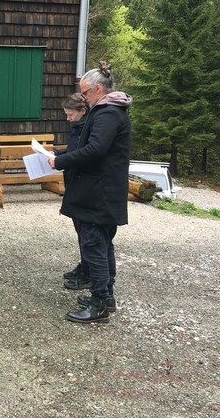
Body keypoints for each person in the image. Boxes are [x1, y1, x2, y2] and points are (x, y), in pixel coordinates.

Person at [48, 62, 132, 324]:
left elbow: (96, 149)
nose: (83, 98)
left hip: (99, 193)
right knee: (103, 245)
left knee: (95, 247)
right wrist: (62, 156)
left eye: (85, 93)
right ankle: (106, 297)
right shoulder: (109, 111)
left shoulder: (107, 113)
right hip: (102, 190)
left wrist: (60, 162)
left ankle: (99, 304)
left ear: (97, 89)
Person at [57, 93, 92, 291]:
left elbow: (83, 155)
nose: (68, 119)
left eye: (71, 115)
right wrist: (57, 154)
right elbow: (73, 151)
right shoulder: (77, 127)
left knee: (88, 235)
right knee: (80, 230)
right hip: (73, 181)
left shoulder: (88, 128)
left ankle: (89, 273)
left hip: (83, 185)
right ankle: (85, 266)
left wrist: (60, 160)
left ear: (83, 111)